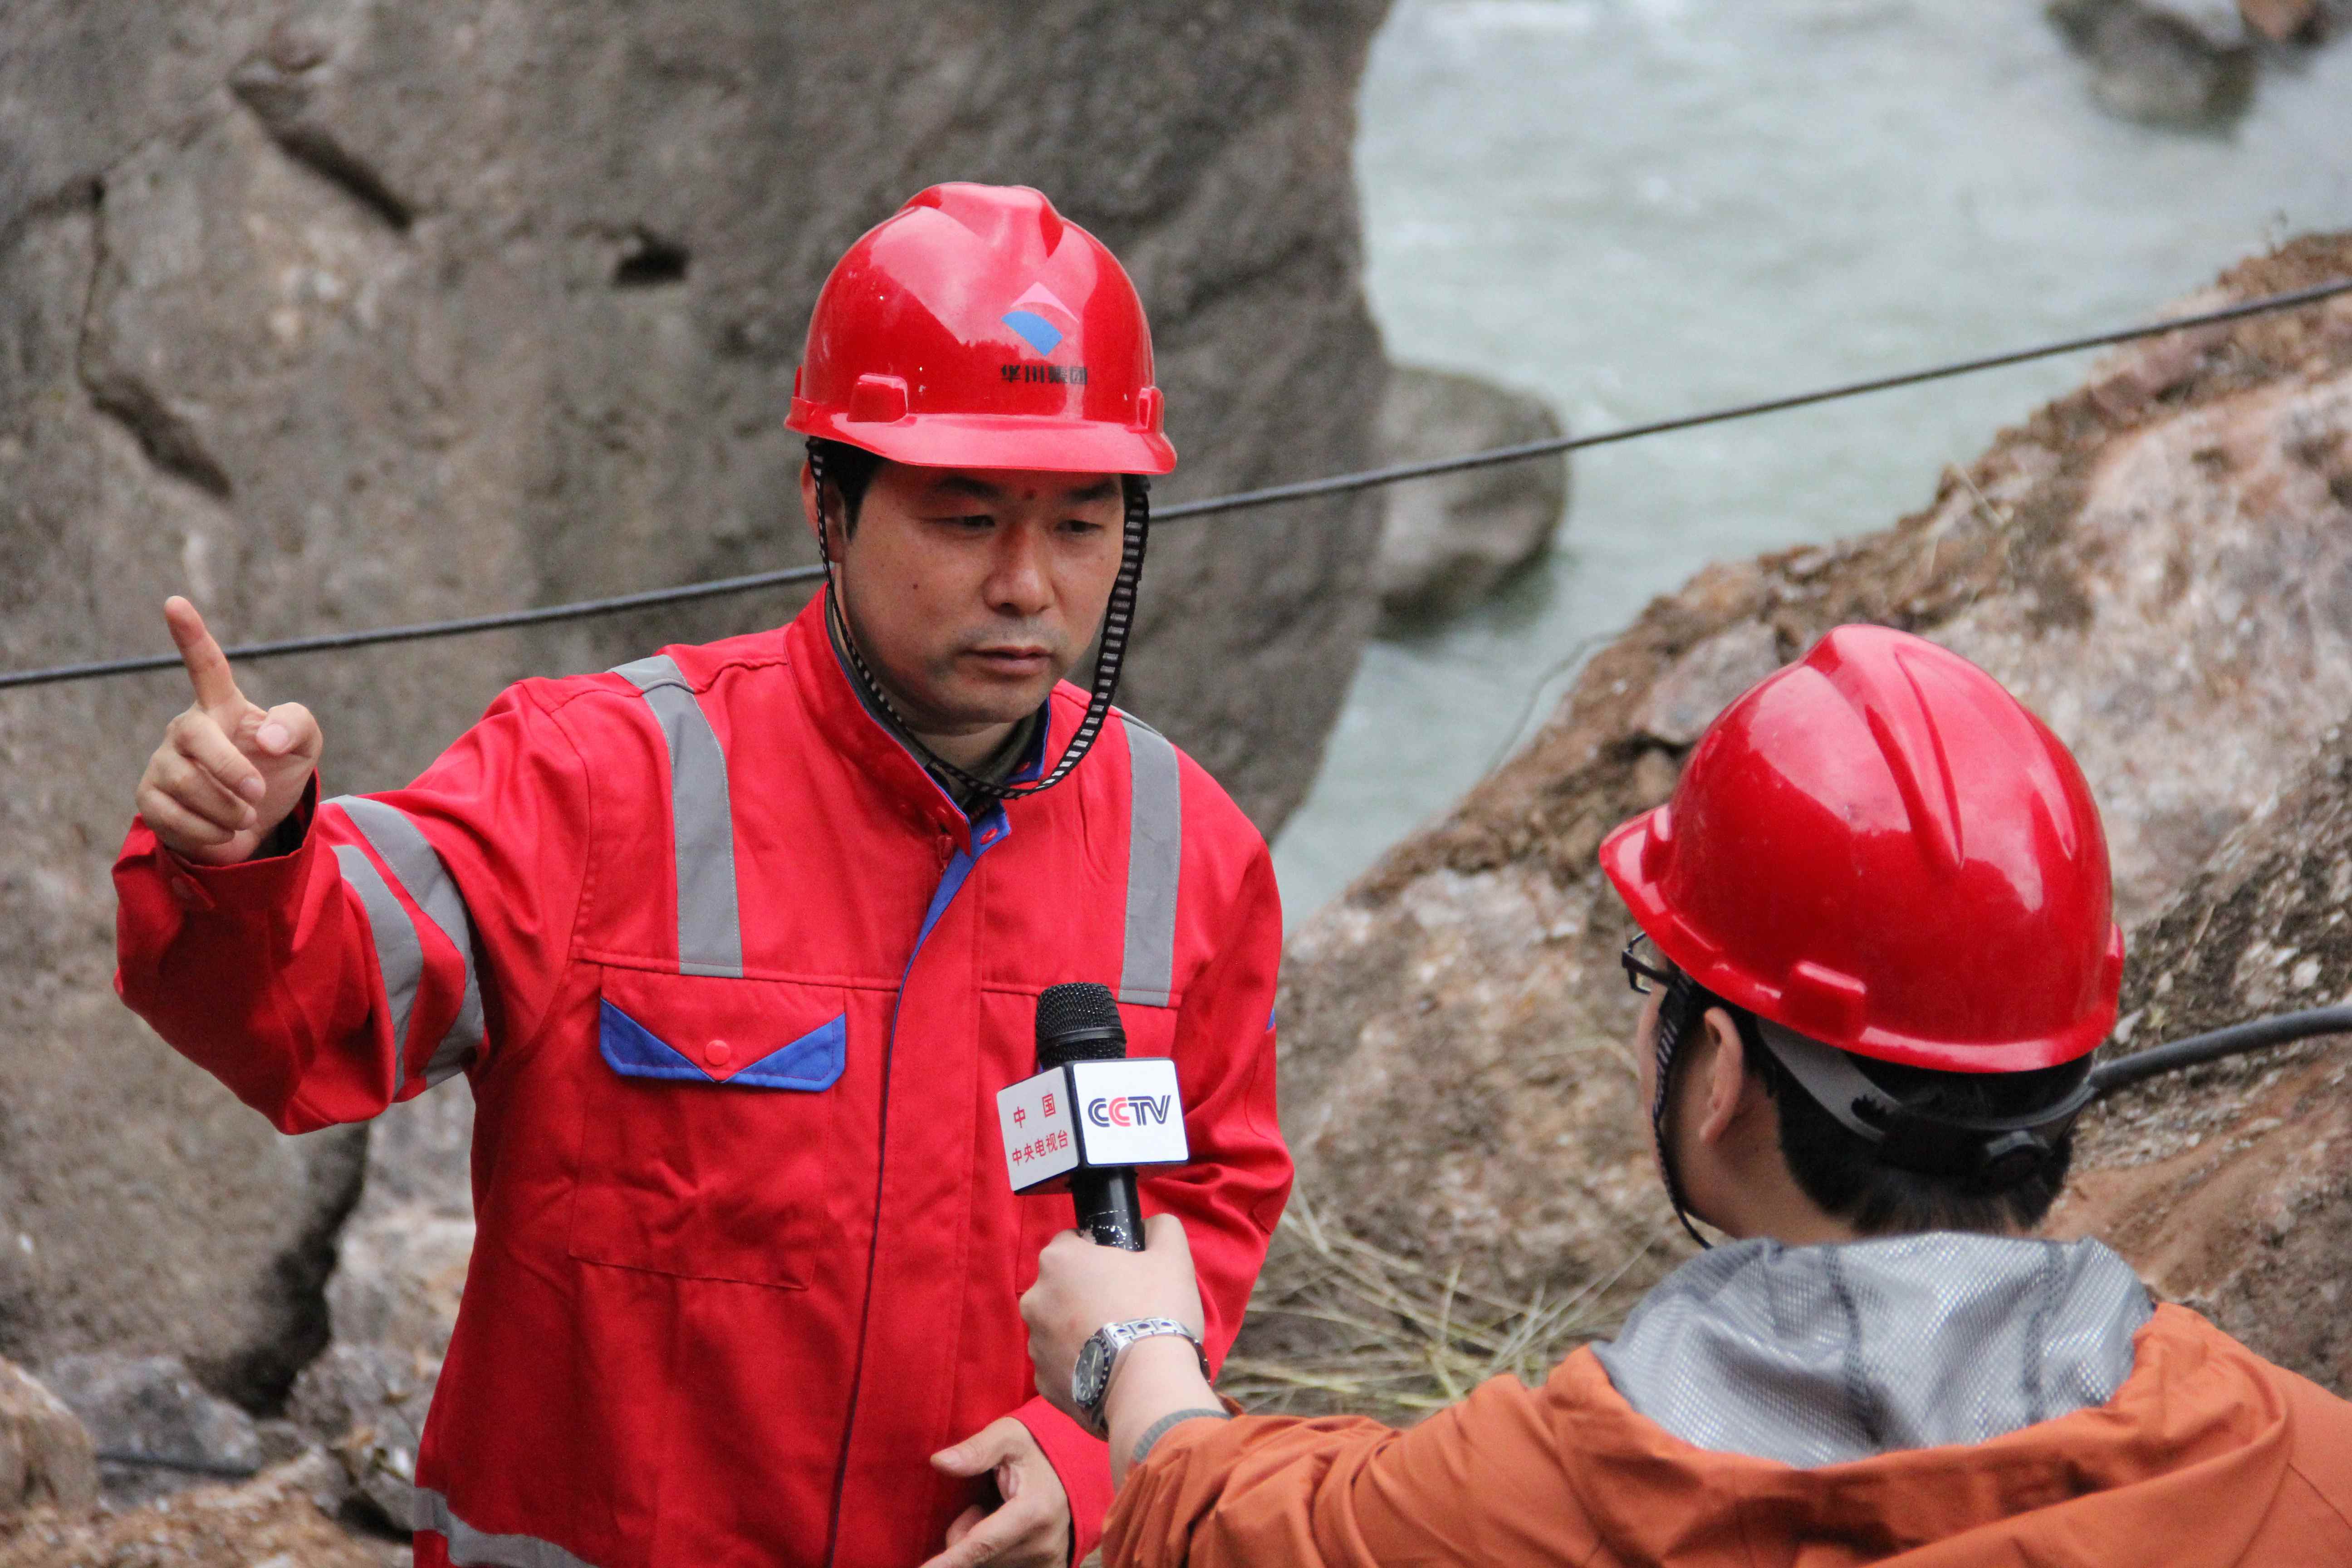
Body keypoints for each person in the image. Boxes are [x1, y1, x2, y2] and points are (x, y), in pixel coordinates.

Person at [115, 182, 1293, 1568]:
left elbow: (1207, 1202)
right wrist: (248, 854)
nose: (1028, 585)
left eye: (1082, 527)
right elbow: (312, 1012)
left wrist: (1090, 1455)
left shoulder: (1190, 850)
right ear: (827, 504)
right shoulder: (593, 776)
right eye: (969, 520)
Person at [1020, 625, 2352, 1567]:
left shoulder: (1580, 1492)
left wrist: (1134, 1353)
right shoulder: (2303, 1464)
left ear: (1718, 1072)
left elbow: (1242, 1531)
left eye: (1654, 981)